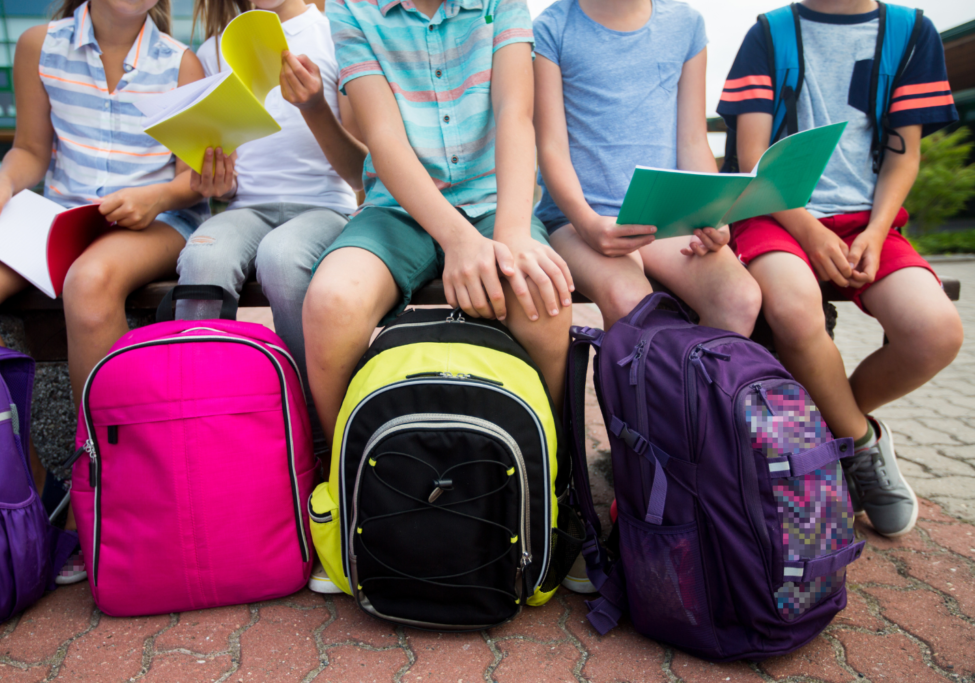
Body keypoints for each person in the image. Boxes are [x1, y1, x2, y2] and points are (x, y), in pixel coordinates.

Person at [303, 0, 575, 589]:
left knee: (542, 299)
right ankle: (342, 481)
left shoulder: (504, 6)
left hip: (493, 201)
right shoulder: (353, 10)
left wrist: (508, 234)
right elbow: (381, 134)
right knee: (330, 305)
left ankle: (549, 483)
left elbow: (514, 112)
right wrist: (455, 239)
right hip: (397, 209)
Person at [0, 0, 208, 582]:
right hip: (61, 218)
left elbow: (196, 179)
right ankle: (34, 489)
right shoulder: (39, 46)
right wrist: (1, 184)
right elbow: (30, 152)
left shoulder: (180, 63)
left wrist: (156, 199)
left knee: (88, 284)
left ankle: (106, 495)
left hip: (153, 224)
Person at [718, 0, 963, 537]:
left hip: (867, 221)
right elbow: (753, 161)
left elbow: (905, 155)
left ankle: (824, 427)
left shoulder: (911, 32)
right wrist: (809, 229)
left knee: (936, 332)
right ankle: (858, 444)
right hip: (775, 212)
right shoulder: (770, 33)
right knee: (790, 308)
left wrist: (876, 232)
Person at [176, 0, 367, 471]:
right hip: (246, 207)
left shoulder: (338, 34)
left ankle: (318, 439)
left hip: (325, 205)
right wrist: (217, 182)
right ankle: (204, 428)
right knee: (202, 256)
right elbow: (224, 175)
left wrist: (314, 105)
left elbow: (363, 169)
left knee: (282, 260)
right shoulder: (212, 52)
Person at [533, 0, 761, 333]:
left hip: (666, 219)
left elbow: (693, 140)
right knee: (631, 300)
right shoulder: (550, 28)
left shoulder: (687, 24)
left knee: (739, 298)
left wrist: (713, 213)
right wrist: (588, 224)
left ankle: (696, 384)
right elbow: (551, 147)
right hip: (579, 220)